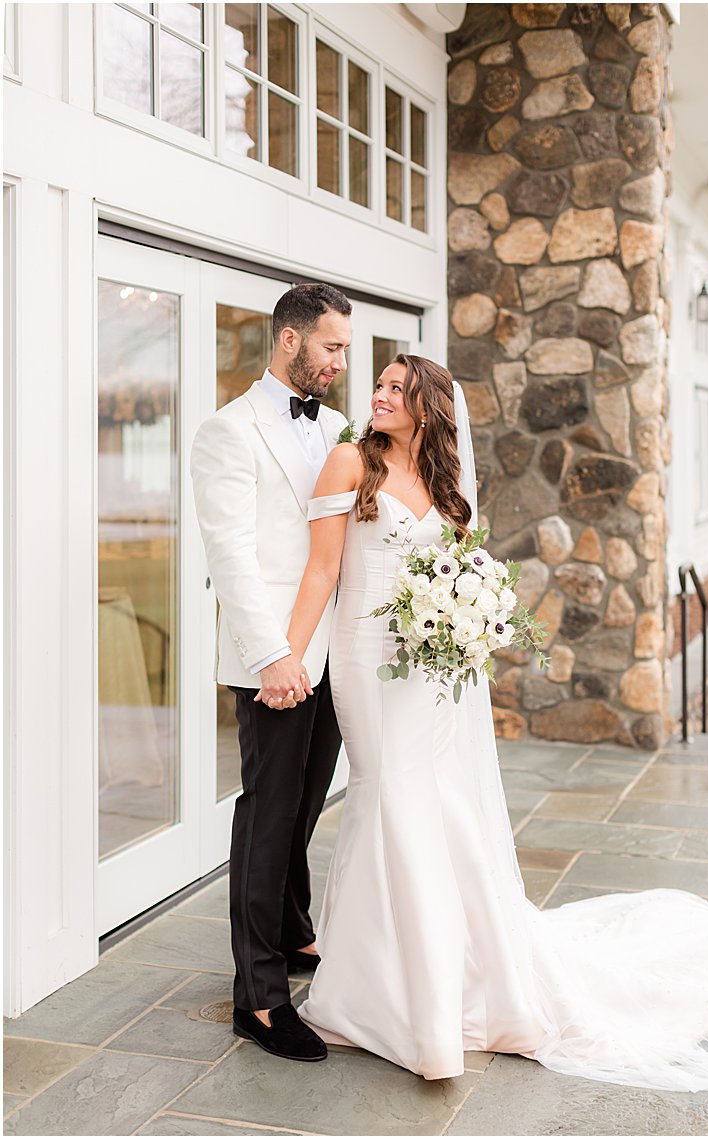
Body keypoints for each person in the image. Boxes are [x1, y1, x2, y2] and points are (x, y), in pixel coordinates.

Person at [283, 353, 708, 1091]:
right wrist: (287, 657)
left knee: (435, 801)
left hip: (432, 666)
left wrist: (466, 615)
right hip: (363, 659)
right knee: (391, 798)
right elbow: (321, 571)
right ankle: (403, 997)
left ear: (427, 407)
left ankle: (462, 987)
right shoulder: (352, 461)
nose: (376, 395)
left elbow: (458, 570)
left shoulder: (445, 482)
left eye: (394, 389)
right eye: (376, 384)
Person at [189, 282, 354, 1062]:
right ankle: (256, 994)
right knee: (266, 816)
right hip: (275, 659)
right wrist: (272, 657)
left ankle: (291, 932)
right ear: (290, 341)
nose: (340, 361)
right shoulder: (228, 431)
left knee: (306, 807)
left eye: (345, 348)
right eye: (332, 346)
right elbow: (232, 555)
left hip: (334, 652)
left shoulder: (342, 429)